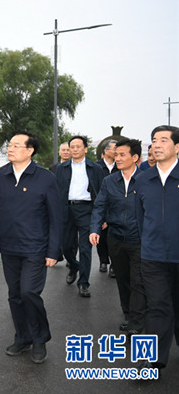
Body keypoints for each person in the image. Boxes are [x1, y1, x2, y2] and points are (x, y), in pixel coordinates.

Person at [0, 130, 61, 364]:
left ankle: (39, 338)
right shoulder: (0, 177)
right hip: (9, 247)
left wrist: (53, 251)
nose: (10, 148)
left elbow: (56, 217)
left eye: (16, 145)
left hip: (35, 247)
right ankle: (23, 336)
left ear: (30, 150)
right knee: (15, 295)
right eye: (10, 145)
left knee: (29, 292)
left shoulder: (45, 178)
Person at [89, 138, 145, 335]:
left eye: (122, 155)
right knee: (123, 279)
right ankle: (128, 314)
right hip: (116, 238)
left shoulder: (146, 180)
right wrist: (95, 229)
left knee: (138, 281)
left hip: (139, 239)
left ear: (135, 157)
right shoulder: (109, 181)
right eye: (116, 154)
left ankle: (136, 322)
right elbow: (99, 206)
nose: (118, 158)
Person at [136, 125, 179, 371]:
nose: (157, 145)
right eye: (154, 140)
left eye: (164, 140)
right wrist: (149, 242)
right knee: (156, 306)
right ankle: (150, 359)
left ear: (177, 146)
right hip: (153, 256)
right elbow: (140, 217)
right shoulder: (143, 180)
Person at [55, 135, 104, 298]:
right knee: (66, 246)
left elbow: (102, 194)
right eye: (72, 147)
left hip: (86, 210)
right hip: (66, 210)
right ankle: (74, 266)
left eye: (78, 146)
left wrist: (102, 217)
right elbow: (55, 191)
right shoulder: (61, 168)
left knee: (85, 248)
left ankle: (83, 283)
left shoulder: (95, 168)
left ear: (85, 149)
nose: (74, 149)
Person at [95, 139, 119, 276]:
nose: (117, 152)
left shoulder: (120, 166)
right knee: (101, 236)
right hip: (101, 206)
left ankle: (115, 265)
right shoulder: (96, 167)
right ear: (106, 150)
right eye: (115, 149)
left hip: (116, 207)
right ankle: (103, 260)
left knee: (115, 237)